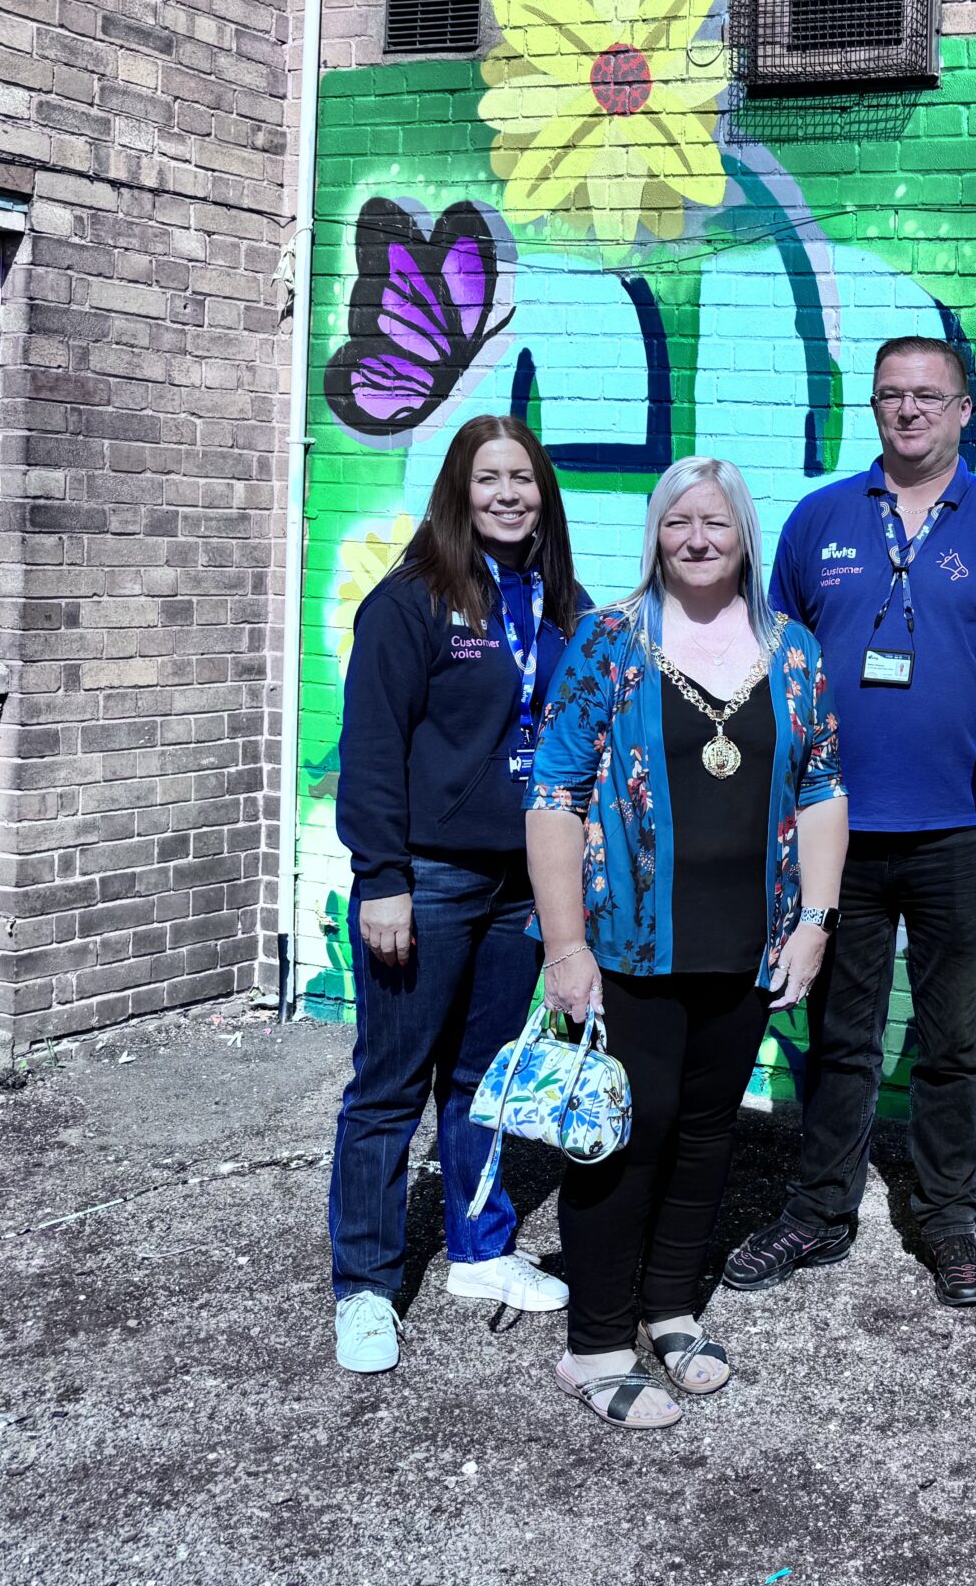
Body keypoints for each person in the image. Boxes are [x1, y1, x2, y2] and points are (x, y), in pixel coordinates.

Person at [724, 335, 976, 1308]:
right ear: (873, 409)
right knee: (841, 1034)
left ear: (964, 410)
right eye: (890, 397)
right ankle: (819, 1210)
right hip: (837, 832)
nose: (907, 411)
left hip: (961, 825)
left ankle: (947, 1220)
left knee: (955, 1040)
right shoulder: (819, 518)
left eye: (928, 396)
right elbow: (770, 664)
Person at [524, 457, 847, 1430]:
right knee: (626, 1133)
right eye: (678, 524)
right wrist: (564, 945)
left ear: (745, 533)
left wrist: (819, 920)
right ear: (656, 535)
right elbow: (554, 792)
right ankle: (594, 1346)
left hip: (749, 945)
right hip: (626, 946)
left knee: (708, 1135)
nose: (698, 539)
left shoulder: (791, 650)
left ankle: (668, 1308)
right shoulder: (610, 641)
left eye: (716, 522)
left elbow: (823, 787)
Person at [329, 414, 585, 1375]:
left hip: (524, 887)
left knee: (485, 1080)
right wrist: (382, 879)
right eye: (490, 480)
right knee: (387, 1089)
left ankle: (480, 1252)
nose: (510, 494)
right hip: (429, 881)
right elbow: (372, 750)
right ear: (459, 492)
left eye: (523, 478)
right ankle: (363, 1284)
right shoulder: (411, 602)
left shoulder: (560, 604)